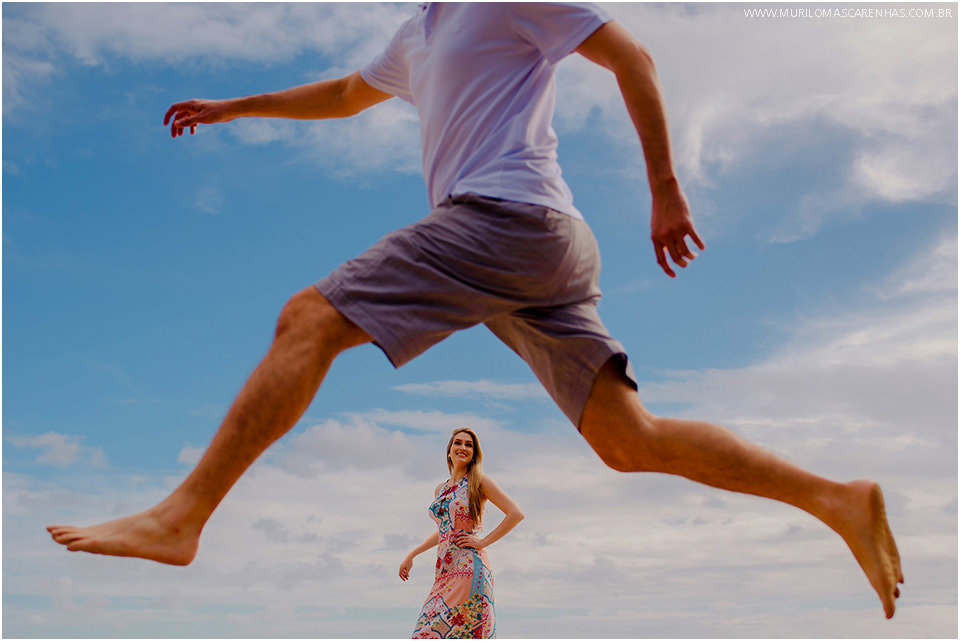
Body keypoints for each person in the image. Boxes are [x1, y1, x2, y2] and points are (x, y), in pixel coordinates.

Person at [47, 3, 903, 619]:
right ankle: (836, 497)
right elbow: (346, 93)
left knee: (307, 318)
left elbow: (632, 57)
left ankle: (182, 515)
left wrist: (667, 192)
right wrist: (236, 106)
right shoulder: (419, 32)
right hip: (537, 253)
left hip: (506, 219)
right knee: (628, 441)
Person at [398, 428, 523, 638]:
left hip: (469, 569)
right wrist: (412, 554)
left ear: (474, 453)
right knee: (424, 633)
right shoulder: (441, 489)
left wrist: (482, 542)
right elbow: (444, 531)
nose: (463, 447)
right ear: (449, 450)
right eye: (458, 443)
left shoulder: (479, 481)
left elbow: (515, 513)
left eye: (469, 445)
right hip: (444, 571)